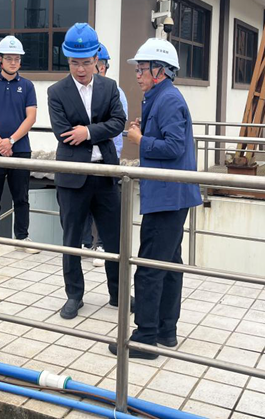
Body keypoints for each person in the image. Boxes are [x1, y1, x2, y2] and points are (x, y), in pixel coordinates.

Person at [109, 38, 202, 359]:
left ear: (160, 71)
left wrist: (140, 139)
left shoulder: (168, 100)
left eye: (142, 69)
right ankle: (166, 330)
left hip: (167, 196)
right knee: (169, 264)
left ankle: (145, 337)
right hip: (171, 194)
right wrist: (144, 132)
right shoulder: (161, 97)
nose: (137, 74)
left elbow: (174, 147)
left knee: (149, 266)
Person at [47, 23, 127, 320]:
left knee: (115, 238)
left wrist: (88, 132)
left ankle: (118, 293)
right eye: (74, 63)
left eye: (86, 62)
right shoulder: (56, 91)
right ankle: (74, 296)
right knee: (71, 239)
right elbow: (62, 132)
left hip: (104, 173)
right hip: (72, 175)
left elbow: (119, 121)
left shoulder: (109, 87)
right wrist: (95, 131)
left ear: (96, 59)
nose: (80, 69)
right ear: (67, 61)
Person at [0, 36, 39, 256]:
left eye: (17, 59)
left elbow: (31, 117)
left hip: (20, 149)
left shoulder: (27, 86)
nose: (13, 62)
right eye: (9, 58)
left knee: (21, 197)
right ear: (0, 59)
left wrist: (10, 141)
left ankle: (22, 238)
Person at [80, 43, 128, 268]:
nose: (97, 69)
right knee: (84, 201)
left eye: (100, 65)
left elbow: (117, 124)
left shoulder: (114, 91)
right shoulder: (79, 90)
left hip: (108, 156)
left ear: (105, 67)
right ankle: (85, 243)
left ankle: (100, 246)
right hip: (83, 157)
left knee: (105, 205)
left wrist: (90, 132)